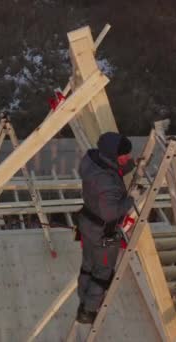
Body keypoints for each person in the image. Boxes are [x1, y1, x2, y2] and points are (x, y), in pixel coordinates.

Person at [76, 132, 136, 324]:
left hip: (87, 223)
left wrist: (131, 165)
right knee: (102, 274)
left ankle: (83, 301)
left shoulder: (92, 161)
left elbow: (110, 171)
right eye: (124, 156)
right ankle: (88, 311)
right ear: (112, 154)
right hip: (103, 233)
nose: (127, 158)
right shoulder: (107, 183)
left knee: (87, 266)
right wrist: (131, 199)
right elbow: (112, 213)